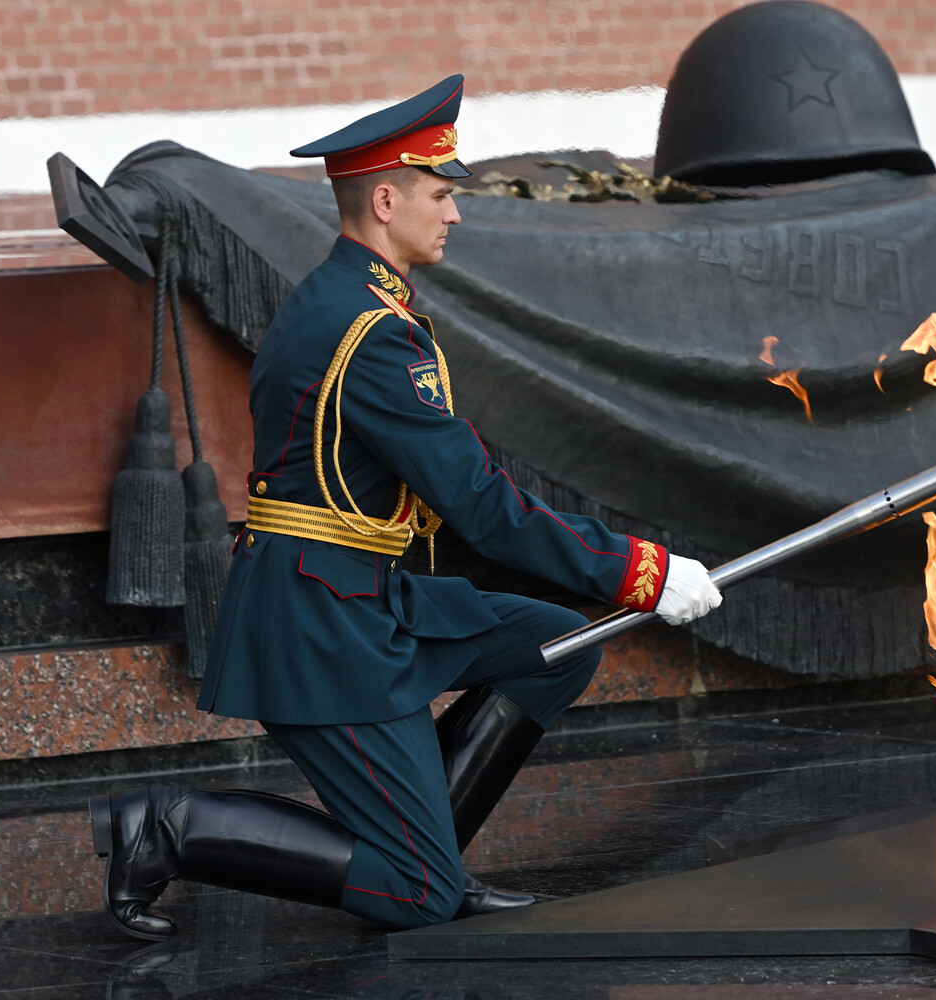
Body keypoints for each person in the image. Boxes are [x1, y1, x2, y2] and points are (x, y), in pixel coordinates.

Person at [88, 74, 722, 940]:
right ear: (385, 202)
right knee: (416, 898)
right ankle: (167, 827)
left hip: (359, 591)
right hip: (323, 621)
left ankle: (432, 860)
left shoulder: (344, 300)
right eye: (438, 194)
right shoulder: (373, 334)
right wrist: (639, 572)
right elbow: (480, 506)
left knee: (554, 647)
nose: (454, 213)